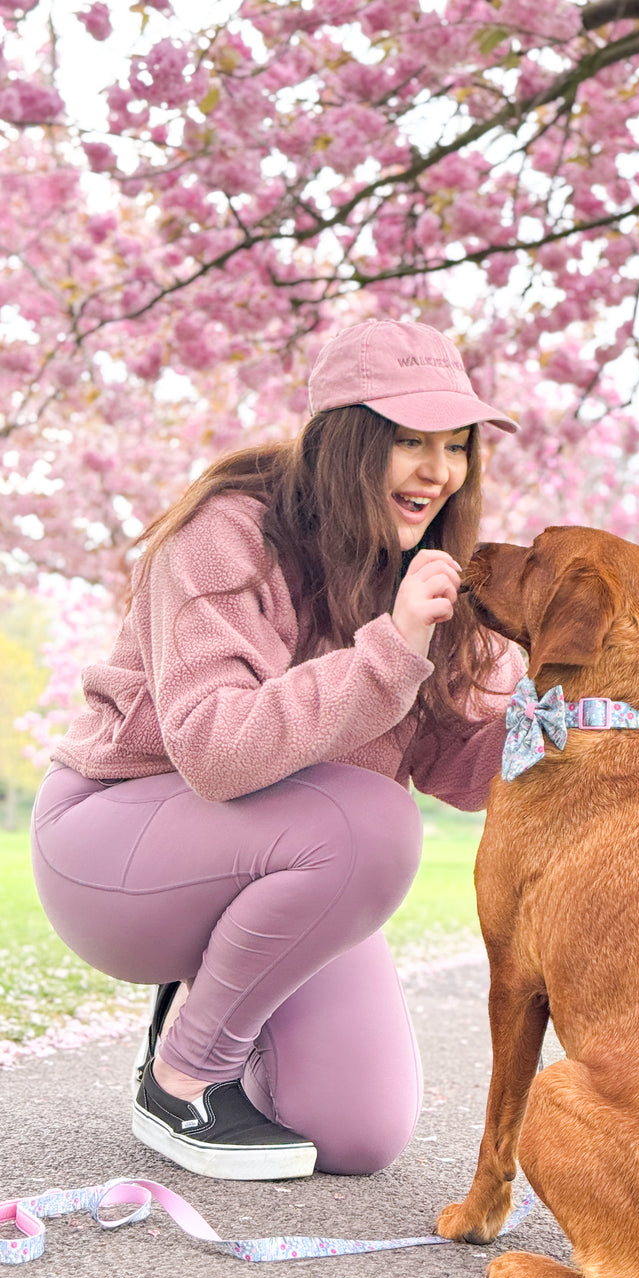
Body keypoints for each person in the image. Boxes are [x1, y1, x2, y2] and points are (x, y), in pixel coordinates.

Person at [29, 319, 524, 1182]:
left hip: (295, 857)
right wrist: (392, 650)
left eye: (455, 446)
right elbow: (214, 750)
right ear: (346, 441)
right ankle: (184, 1079)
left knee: (356, 1135)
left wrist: (557, 717)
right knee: (375, 822)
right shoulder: (228, 533)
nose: (438, 471)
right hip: (113, 844)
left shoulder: (418, 569)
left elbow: (457, 769)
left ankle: (218, 1000)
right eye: (410, 441)